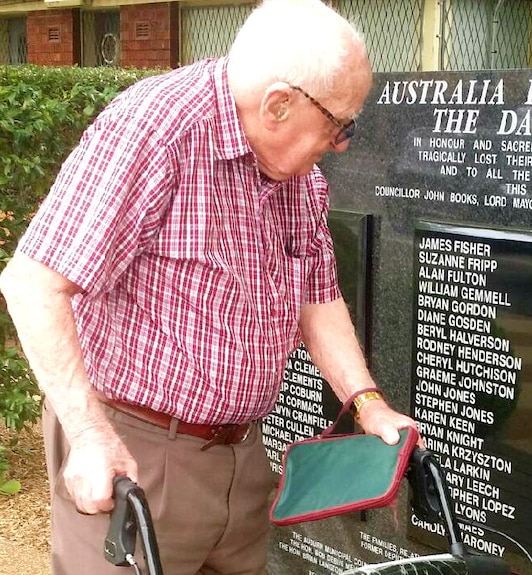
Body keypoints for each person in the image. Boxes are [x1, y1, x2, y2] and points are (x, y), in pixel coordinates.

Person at [0, 1, 418, 574]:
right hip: (133, 453)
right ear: (278, 104)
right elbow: (33, 284)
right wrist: (90, 437)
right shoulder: (151, 132)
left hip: (243, 455)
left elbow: (318, 297)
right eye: (339, 124)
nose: (345, 141)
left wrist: (366, 403)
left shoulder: (299, 178)